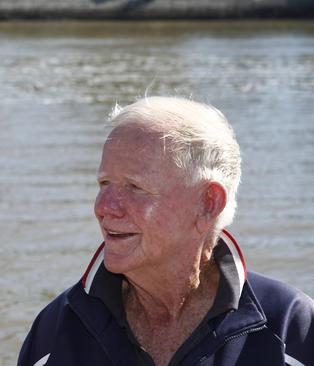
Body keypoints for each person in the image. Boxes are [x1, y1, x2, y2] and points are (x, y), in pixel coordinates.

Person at [18, 96, 314, 366]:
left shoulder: (290, 328)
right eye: (104, 184)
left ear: (207, 204)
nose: (104, 207)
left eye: (135, 187)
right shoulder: (57, 328)